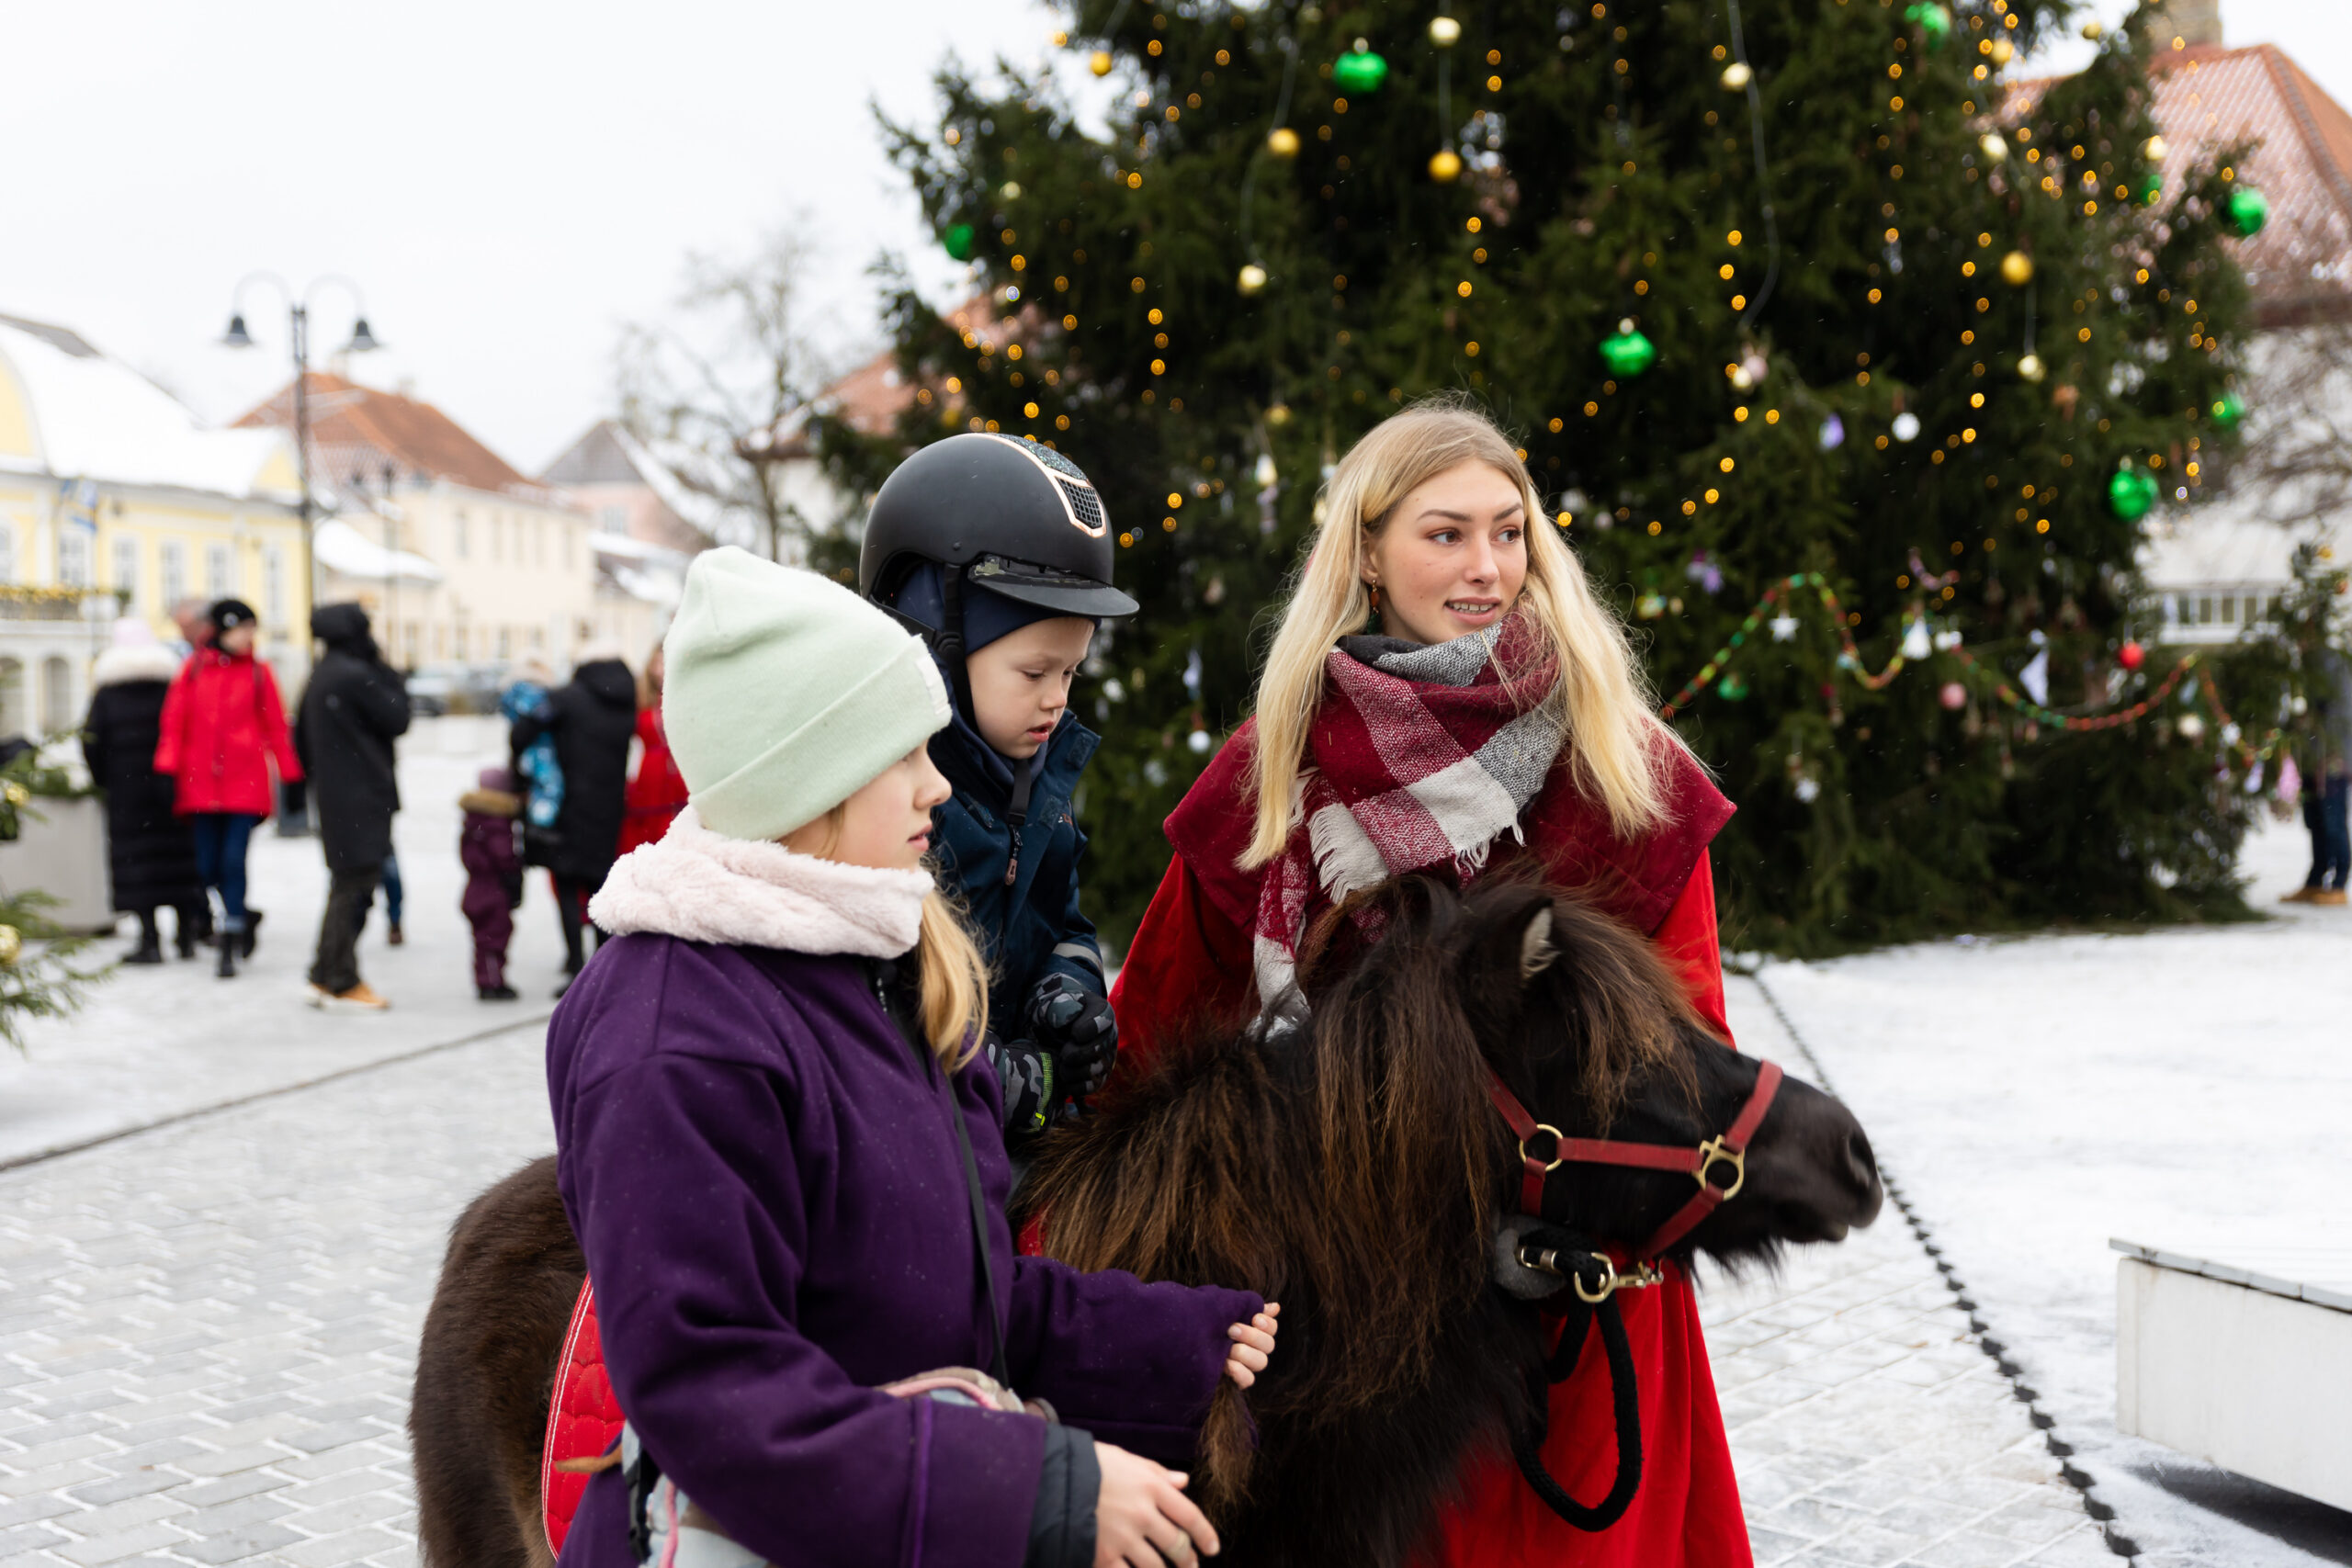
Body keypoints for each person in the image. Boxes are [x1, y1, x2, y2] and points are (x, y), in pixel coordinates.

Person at [1105, 401, 1746, 1566]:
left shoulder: (1615, 756)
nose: (1487, 567)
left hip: (1575, 1314)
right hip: (1358, 1329)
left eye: (1508, 532)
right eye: (1444, 535)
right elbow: (1154, 1033)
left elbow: (1687, 1041)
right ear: (1364, 550)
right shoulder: (1276, 767)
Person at [550, 547, 1279, 1568]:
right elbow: (713, 1393)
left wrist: (1178, 1343)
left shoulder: (882, 977)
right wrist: (1044, 1491)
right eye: (902, 754)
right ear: (808, 774)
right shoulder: (674, 1036)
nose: (937, 784)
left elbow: (957, 1295)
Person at [862, 434, 1131, 1145]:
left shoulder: (1038, 780)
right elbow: (875, 1006)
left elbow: (1063, 923)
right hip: (908, 1149)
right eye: (1034, 672)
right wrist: (987, 1074)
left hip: (1003, 1133)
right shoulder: (890, 809)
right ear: (936, 647)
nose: (1056, 701)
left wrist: (1067, 992)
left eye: (1070, 673)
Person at [154, 599, 302, 978]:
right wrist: (165, 770)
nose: (249, 636)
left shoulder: (258, 672)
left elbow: (276, 728)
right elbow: (174, 722)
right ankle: (243, 915)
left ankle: (231, 931)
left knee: (233, 861)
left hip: (244, 784)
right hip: (199, 784)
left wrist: (291, 776)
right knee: (205, 867)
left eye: (252, 629)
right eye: (243, 628)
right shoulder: (191, 671)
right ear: (224, 629)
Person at [295, 604, 411, 1011]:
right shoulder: (356, 675)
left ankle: (324, 973)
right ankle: (340, 978)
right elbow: (398, 717)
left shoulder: (322, 674)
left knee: (346, 884)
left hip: (336, 794)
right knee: (353, 887)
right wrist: (389, 674)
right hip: (361, 795)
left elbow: (299, 739)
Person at [82, 617, 207, 964]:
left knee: (138, 863)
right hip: (172, 786)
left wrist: (104, 780)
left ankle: (149, 940)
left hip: (127, 793)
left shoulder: (107, 693)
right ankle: (185, 937)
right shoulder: (172, 686)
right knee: (179, 860)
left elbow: (91, 741)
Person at [514, 645, 635, 994]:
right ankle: (603, 968)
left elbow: (521, 733)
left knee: (568, 886)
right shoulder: (626, 699)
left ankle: (576, 968)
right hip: (611, 807)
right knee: (602, 888)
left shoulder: (567, 698)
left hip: (569, 806)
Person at [2284, 649, 2352, 907]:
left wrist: (2332, 751)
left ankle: (2339, 882)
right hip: (2310, 758)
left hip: (2333, 759)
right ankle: (2316, 879)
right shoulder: (2303, 665)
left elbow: (2342, 715)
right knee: (2315, 820)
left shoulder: (2336, 665)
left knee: (2333, 820)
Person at [615, 642, 687, 857]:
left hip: (680, 776)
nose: (659, 670)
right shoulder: (640, 699)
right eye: (655, 663)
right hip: (649, 776)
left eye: (664, 663)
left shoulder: (685, 698)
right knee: (646, 838)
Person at [458, 766, 524, 999]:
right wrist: (515, 867)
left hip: (475, 889)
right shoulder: (497, 821)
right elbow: (503, 855)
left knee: (483, 939)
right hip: (491, 892)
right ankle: (491, 982)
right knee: (493, 938)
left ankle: (486, 978)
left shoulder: (472, 819)